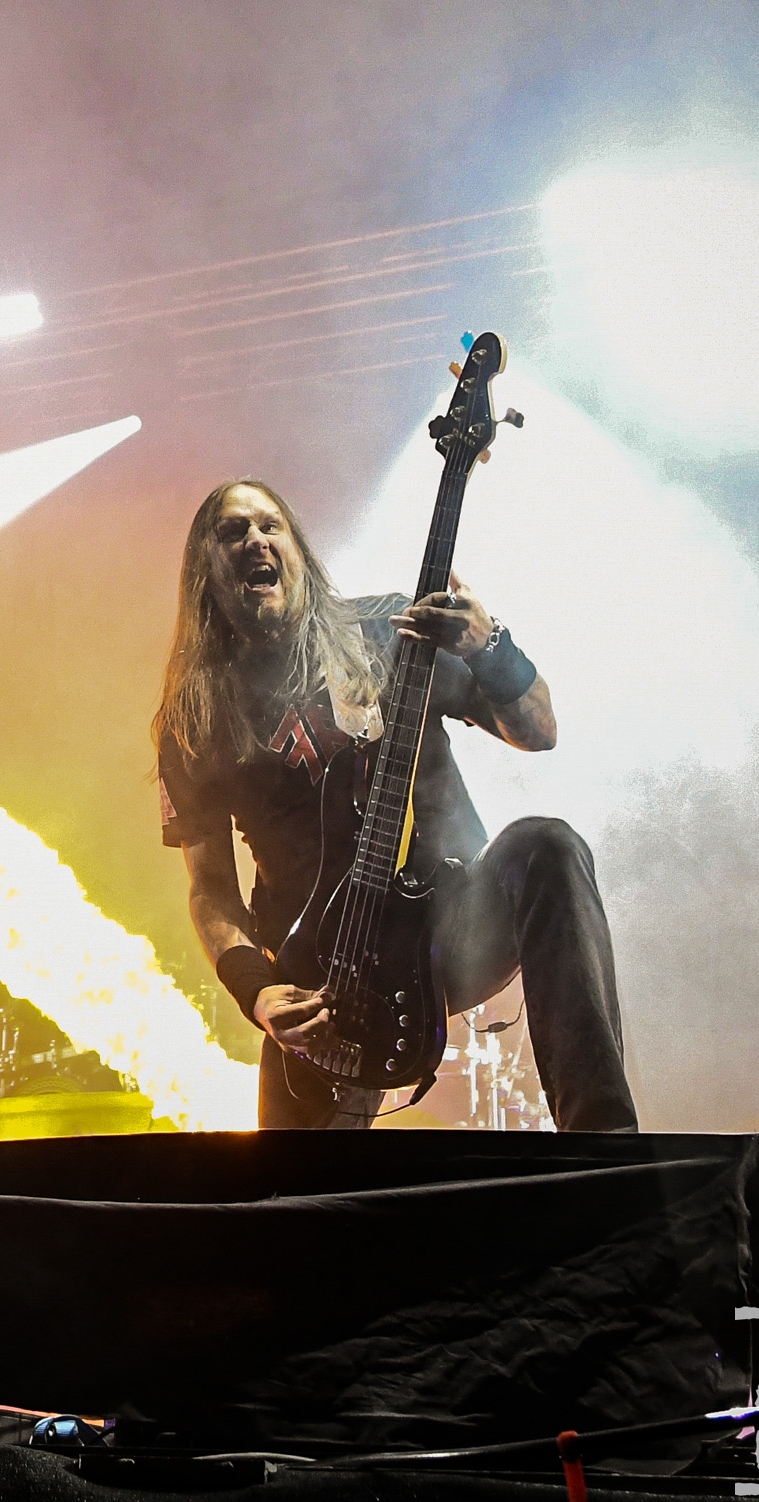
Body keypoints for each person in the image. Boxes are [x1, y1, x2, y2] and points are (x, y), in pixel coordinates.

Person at [153, 479, 638, 1131]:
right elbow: (210, 889)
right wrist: (259, 992)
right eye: (232, 531)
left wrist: (488, 645)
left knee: (547, 845)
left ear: (298, 550)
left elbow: (538, 731)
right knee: (286, 1194)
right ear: (204, 569)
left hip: (445, 929)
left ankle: (605, 1144)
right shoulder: (194, 714)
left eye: (270, 525)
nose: (255, 541)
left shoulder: (387, 633)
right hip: (323, 982)